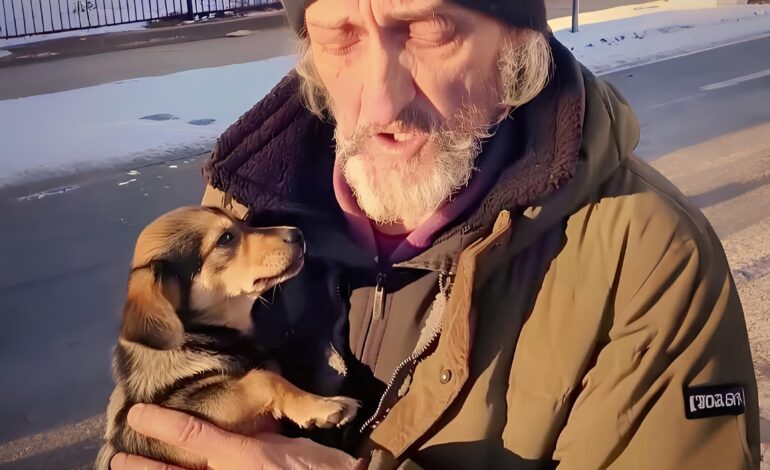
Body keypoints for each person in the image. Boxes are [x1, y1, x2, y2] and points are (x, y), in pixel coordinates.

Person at [110, 0, 761, 468]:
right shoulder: (245, 203)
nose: (381, 102)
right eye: (340, 36)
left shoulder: (647, 256)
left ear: (518, 47)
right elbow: (148, 419)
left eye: (427, 29)